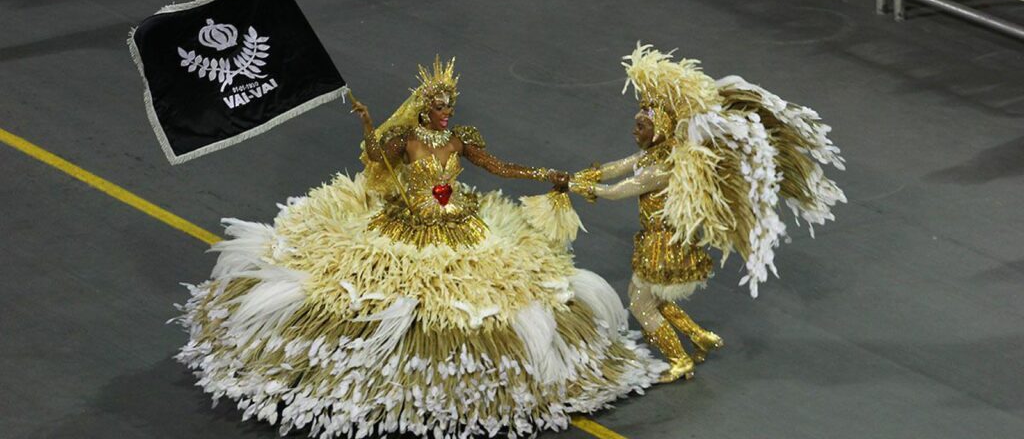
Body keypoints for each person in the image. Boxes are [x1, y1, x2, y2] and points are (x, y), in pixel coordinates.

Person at [174, 56, 665, 439]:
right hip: (404, 227)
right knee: (389, 295)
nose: (447, 109)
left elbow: (498, 167)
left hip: (458, 225)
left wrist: (545, 175)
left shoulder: (459, 142)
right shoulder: (407, 139)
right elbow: (373, 158)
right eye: (440, 103)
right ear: (425, 106)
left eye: (451, 103)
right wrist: (368, 123)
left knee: (469, 302)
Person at [570, 44, 845, 382]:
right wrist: (589, 174)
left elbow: (619, 190)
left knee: (640, 304)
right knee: (646, 297)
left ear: (657, 130)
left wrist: (585, 188)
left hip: (666, 247)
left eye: (641, 126)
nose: (635, 131)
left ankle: (679, 359)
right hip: (658, 241)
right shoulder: (654, 155)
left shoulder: (662, 167)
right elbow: (620, 167)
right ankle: (699, 336)